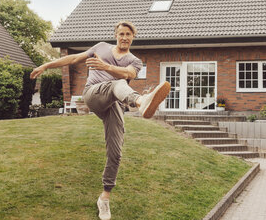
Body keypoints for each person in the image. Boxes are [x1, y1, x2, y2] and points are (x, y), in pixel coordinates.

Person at [30, 20, 171, 220]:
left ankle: (104, 198)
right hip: (93, 94)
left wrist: (105, 66)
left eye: (128, 35)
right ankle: (141, 101)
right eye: (121, 34)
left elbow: (128, 73)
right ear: (116, 35)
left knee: (116, 152)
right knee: (117, 84)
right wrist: (46, 65)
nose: (124, 38)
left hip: (113, 103)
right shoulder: (101, 47)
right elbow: (73, 59)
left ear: (133, 37)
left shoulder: (135, 60)